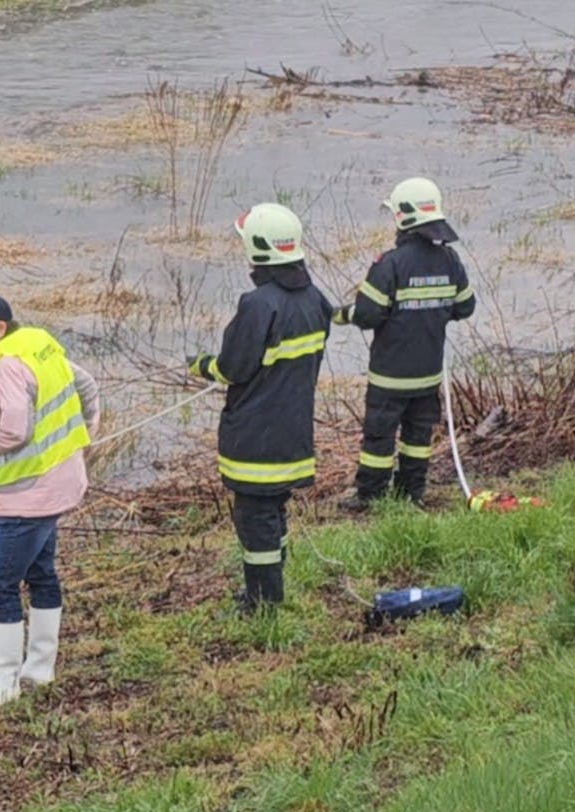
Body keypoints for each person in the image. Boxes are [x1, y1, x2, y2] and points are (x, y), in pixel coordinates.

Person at [0, 292, 100, 711]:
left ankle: (4, 683)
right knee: (41, 573)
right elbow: (85, 384)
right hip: (58, 484)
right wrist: (82, 434)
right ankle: (39, 669)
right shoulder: (38, 342)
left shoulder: (8, 363)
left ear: (0, 328)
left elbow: (14, 430)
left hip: (26, 495)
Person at [187, 203, 333, 613]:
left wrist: (202, 366)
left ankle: (263, 605)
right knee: (274, 512)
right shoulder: (316, 301)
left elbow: (233, 367)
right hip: (292, 434)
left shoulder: (258, 305)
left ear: (258, 250)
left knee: (255, 520)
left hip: (255, 439)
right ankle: (271, 588)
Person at [335, 177, 477, 510]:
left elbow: (369, 315)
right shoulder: (450, 260)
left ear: (402, 217)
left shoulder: (390, 264)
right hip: (428, 375)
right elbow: (465, 307)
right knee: (418, 437)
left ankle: (370, 496)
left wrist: (341, 315)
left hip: (389, 376)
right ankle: (411, 492)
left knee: (379, 438)